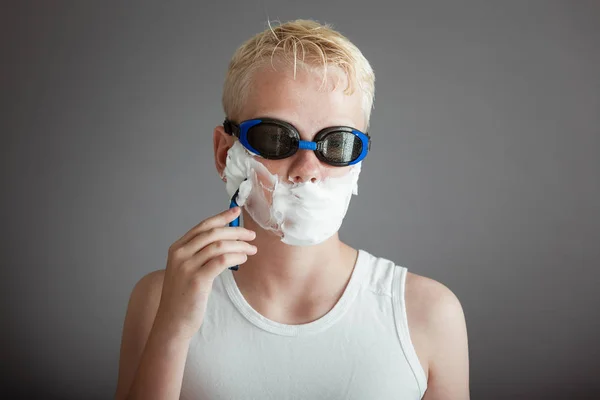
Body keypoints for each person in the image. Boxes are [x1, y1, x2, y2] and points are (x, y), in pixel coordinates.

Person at [115, 19, 469, 400]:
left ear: (358, 158)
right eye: (275, 138)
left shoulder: (429, 315)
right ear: (225, 153)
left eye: (337, 143)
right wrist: (172, 330)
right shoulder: (159, 300)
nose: (307, 171)